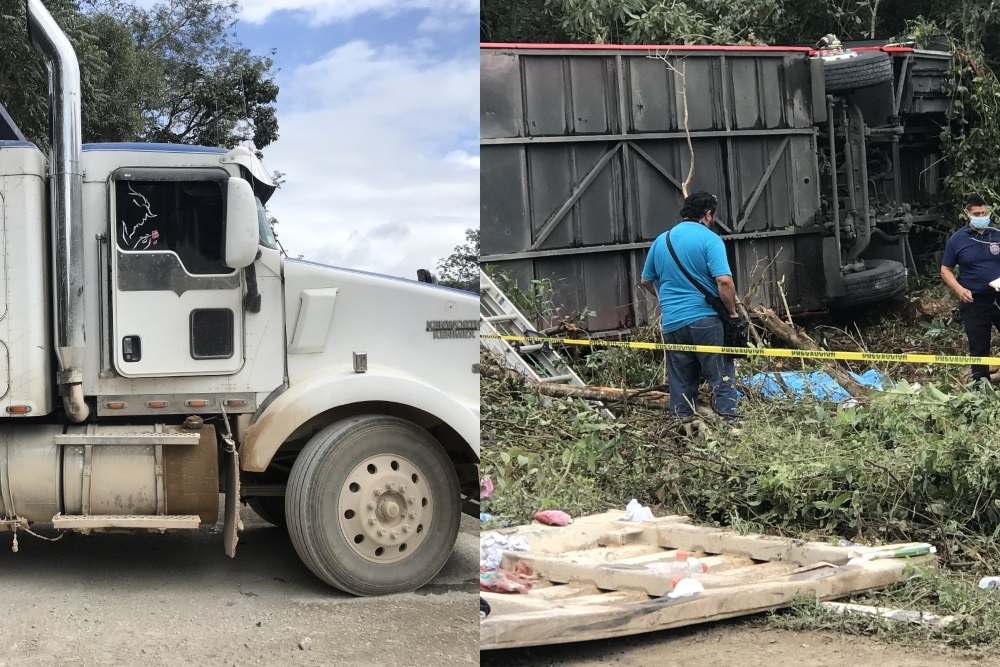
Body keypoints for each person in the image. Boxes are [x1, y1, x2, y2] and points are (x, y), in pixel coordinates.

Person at [640, 191, 740, 417]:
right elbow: (724, 281)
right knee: (721, 377)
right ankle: (729, 428)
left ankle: (682, 429)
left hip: (673, 323)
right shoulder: (710, 239)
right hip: (705, 321)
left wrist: (667, 301)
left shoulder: (661, 240)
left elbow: (645, 280)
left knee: (681, 383)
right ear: (708, 214)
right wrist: (732, 313)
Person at [941, 193, 1000, 383]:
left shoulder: (997, 234)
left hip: (998, 297)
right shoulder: (957, 240)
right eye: (977, 213)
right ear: (967, 213)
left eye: (984, 213)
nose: (982, 217)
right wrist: (959, 289)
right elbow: (945, 270)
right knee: (979, 346)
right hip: (974, 300)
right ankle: (982, 388)